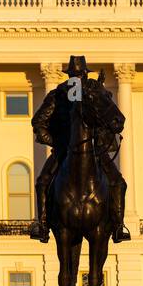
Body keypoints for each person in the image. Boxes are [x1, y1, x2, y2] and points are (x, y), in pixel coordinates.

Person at [29, 55, 130, 245]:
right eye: (74, 75)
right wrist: (56, 142)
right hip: (63, 150)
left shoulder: (96, 91)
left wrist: (106, 132)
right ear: (69, 77)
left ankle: (118, 226)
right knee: (42, 182)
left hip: (96, 150)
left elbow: (110, 114)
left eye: (80, 74)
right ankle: (42, 225)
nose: (78, 78)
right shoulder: (58, 95)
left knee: (118, 182)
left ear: (85, 74)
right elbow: (38, 122)